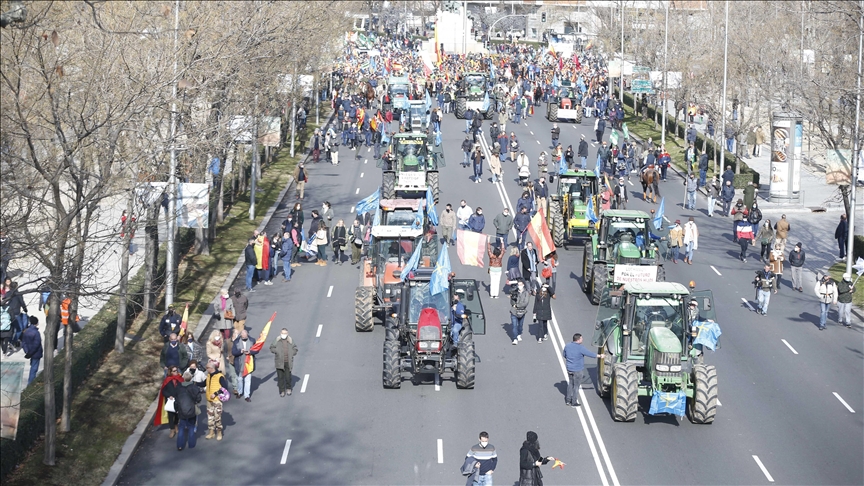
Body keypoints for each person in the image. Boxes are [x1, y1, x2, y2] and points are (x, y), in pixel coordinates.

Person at [563, 333, 603, 407]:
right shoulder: (581, 348)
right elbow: (590, 354)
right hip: (577, 369)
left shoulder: (567, 346)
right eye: (581, 338)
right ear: (578, 340)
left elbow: (564, 355)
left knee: (570, 384)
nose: (582, 339)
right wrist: (600, 356)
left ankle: (568, 400)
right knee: (576, 386)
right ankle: (574, 402)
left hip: (569, 368)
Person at [175, 371, 202, 451]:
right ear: (191, 378)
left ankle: (180, 445)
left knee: (181, 427)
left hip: (181, 410)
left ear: (183, 378)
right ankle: (191, 444)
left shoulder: (179, 388)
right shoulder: (194, 387)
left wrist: (176, 409)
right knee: (191, 427)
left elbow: (176, 401)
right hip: (191, 410)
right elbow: (198, 399)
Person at [232, 329, 259, 402]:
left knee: (247, 380)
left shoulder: (252, 340)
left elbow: (257, 350)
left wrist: (250, 352)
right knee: (239, 379)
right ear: (240, 335)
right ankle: (240, 392)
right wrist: (240, 351)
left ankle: (247, 395)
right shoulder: (236, 341)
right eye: (242, 336)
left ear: (247, 334)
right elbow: (233, 352)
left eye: (245, 336)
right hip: (240, 364)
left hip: (248, 364)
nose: (244, 337)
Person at [270, 328, 299, 397]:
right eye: (282, 333)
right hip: (279, 362)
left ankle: (288, 388)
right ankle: (282, 391)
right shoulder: (277, 340)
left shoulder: (290, 340)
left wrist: (292, 353)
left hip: (288, 362)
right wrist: (277, 351)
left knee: (288, 377)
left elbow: (295, 348)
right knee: (280, 378)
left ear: (287, 334)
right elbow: (271, 347)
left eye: (285, 333)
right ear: (280, 333)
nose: (284, 334)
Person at [204, 362, 228, 440]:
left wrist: (216, 393)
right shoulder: (208, 376)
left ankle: (219, 432)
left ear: (211, 368)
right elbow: (203, 383)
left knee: (217, 417)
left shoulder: (220, 376)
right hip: (209, 400)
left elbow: (225, 388)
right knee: (210, 417)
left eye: (207, 368)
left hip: (217, 400)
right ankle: (211, 432)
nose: (206, 369)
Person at [21, 315, 42, 385]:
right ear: (36, 323)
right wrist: (30, 353)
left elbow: (23, 342)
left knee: (32, 366)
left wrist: (27, 351)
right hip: (36, 353)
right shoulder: (36, 333)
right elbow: (37, 344)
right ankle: (30, 383)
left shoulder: (26, 331)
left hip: (30, 352)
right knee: (34, 368)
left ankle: (31, 381)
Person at [509, 280, 530, 345]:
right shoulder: (515, 292)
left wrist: (517, 305)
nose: (519, 286)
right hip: (514, 311)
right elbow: (512, 302)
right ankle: (515, 338)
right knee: (514, 326)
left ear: (523, 285)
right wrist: (513, 297)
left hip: (522, 312)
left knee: (520, 325)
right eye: (518, 285)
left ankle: (519, 334)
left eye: (520, 284)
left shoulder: (526, 293)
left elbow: (525, 303)